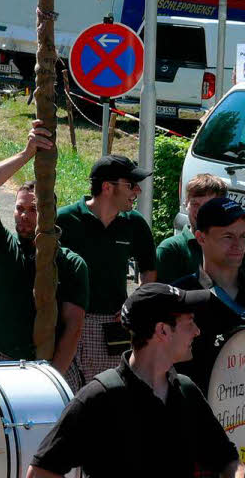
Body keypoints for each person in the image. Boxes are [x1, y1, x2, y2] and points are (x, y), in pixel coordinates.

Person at [27, 283, 242, 478]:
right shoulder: (100, 397)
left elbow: (228, 459)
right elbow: (40, 471)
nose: (197, 331)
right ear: (163, 330)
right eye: (190, 322)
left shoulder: (186, 391)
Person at [0, 122, 89, 389]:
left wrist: (50, 380)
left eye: (33, 209)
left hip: (50, 370)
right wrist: (27, 154)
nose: (24, 216)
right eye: (19, 208)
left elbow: (73, 328)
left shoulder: (71, 264)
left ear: (51, 212)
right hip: (0, 365)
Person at [56, 155, 157, 384]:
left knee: (107, 398)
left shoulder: (135, 224)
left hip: (113, 328)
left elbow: (148, 271)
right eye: (131, 185)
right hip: (67, 325)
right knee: (67, 397)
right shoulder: (64, 220)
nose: (138, 191)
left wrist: (134, 307)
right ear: (107, 187)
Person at [171, 197, 245, 394]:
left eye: (243, 236)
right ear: (201, 238)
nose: (238, 244)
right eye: (227, 236)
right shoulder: (178, 297)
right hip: (194, 415)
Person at [156, 173, 245, 285]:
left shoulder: (243, 242)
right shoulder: (171, 249)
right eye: (195, 204)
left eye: (209, 205)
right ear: (186, 204)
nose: (201, 211)